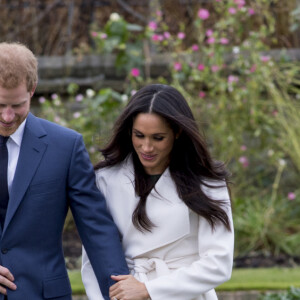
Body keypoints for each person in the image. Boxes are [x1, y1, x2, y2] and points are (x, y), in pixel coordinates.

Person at [0, 41, 129, 300]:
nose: (7, 116)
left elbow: (96, 227)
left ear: (33, 91)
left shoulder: (66, 147)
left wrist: (121, 294)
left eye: (17, 105)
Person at [81, 84, 234, 300]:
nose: (146, 147)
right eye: (139, 135)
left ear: (178, 132)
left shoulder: (208, 183)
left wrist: (148, 290)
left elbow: (218, 264)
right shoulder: (106, 179)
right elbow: (93, 257)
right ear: (129, 131)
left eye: (158, 138)